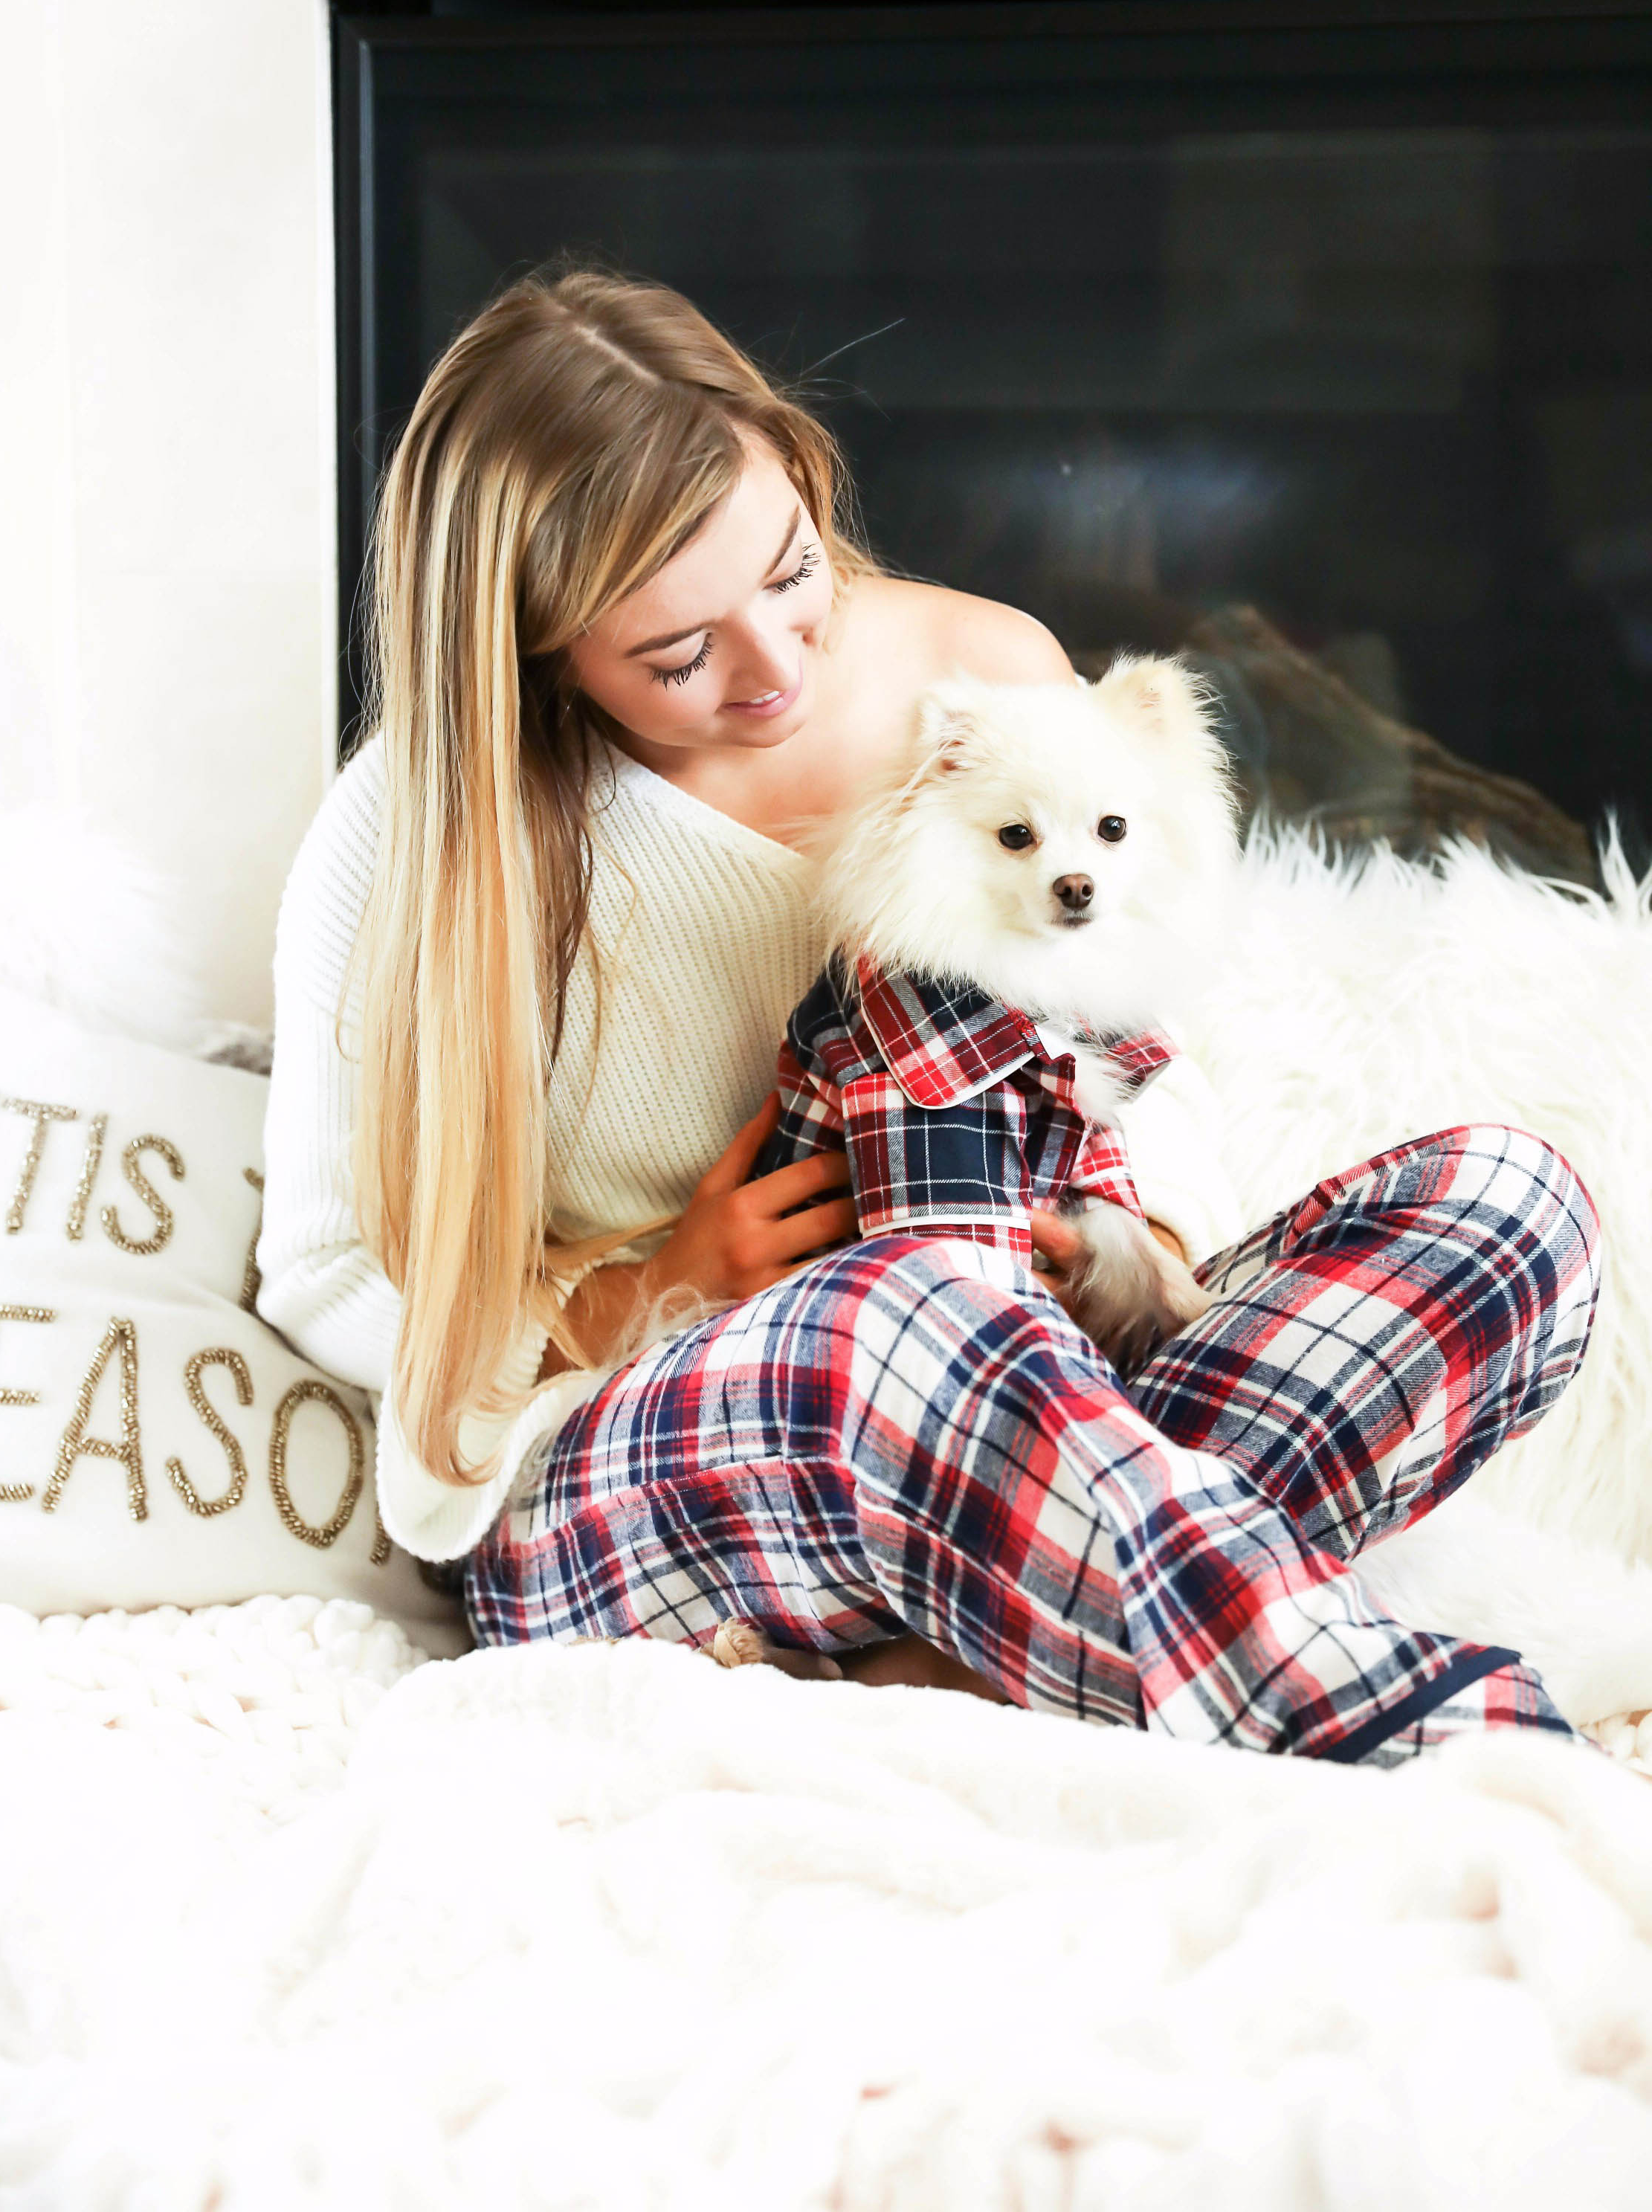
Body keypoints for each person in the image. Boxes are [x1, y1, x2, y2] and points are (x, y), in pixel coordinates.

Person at [256, 265, 1603, 1764]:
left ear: (799, 468)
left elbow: (1128, 1049)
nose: (772, 665)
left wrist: (1136, 1251)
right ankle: (1444, 1748)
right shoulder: (416, 833)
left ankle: (971, 1663)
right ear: (535, 649)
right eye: (678, 654)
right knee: (904, 1317)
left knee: (1507, 1203)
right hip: (657, 1481)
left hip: (1026, 1401)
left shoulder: (985, 675)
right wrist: (628, 1302)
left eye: (784, 572)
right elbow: (318, 1266)